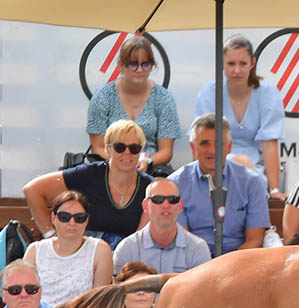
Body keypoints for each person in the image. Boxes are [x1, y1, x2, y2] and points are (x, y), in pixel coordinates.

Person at [24, 120, 154, 249]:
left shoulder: (150, 187)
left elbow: (139, 241)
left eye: (134, 148)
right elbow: (32, 190)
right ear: (108, 149)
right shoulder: (89, 174)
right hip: (83, 253)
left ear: (140, 152)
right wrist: (51, 236)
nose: (127, 153)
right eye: (119, 147)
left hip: (126, 255)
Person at [194, 35, 285, 199]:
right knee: (242, 163)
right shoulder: (209, 92)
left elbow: (269, 143)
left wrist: (274, 189)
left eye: (242, 63)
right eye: (231, 64)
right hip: (214, 164)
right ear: (222, 63)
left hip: (254, 168)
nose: (237, 70)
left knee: (246, 167)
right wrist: (200, 181)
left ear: (252, 63)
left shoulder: (268, 94)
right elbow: (200, 141)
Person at [168, 114, 271, 255]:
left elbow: (255, 240)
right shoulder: (176, 184)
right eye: (204, 143)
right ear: (193, 147)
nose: (211, 150)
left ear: (229, 147)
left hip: (238, 263)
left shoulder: (251, 182)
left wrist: (224, 268)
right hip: (193, 264)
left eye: (218, 144)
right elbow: (181, 240)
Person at [86, 35, 181, 175]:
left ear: (152, 66)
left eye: (146, 64)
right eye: (133, 64)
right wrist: (122, 161)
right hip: (110, 168)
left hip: (150, 170)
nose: (140, 70)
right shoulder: (102, 97)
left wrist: (146, 161)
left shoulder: (164, 99)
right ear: (121, 65)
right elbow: (98, 148)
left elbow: (166, 151)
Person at [23, 191, 113, 306]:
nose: (72, 222)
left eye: (79, 218)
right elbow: (24, 294)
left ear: (87, 220)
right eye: (64, 217)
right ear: (53, 218)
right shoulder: (35, 250)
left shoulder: (100, 250)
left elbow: (99, 302)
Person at [113, 179, 211, 275]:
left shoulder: (198, 249)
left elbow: (202, 290)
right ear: (145, 206)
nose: (166, 205)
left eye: (172, 199)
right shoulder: (127, 249)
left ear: (180, 206)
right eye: (158, 199)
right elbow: (119, 289)